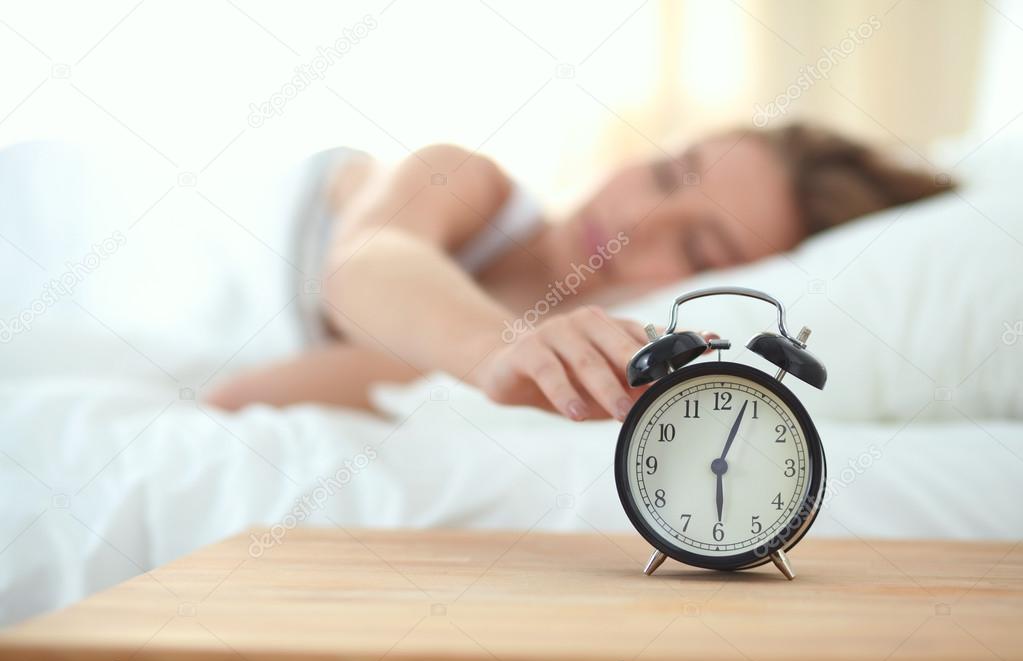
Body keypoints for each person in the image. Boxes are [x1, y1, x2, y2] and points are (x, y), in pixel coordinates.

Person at [207, 123, 951, 419]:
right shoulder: (470, 183)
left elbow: (243, 397)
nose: (635, 218)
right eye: (665, 174)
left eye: (697, 250)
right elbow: (366, 264)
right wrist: (495, 349)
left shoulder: (560, 362)